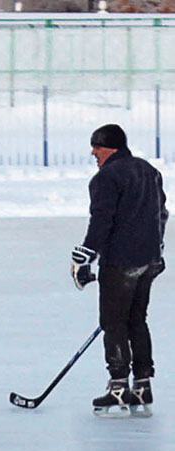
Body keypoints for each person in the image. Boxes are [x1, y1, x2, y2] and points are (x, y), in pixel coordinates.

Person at [72, 123, 167, 418]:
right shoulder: (148, 171)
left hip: (121, 262)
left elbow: (102, 220)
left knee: (114, 323)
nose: (93, 153)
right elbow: (161, 212)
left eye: (96, 148)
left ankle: (117, 387)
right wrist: (156, 247)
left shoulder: (105, 178)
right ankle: (142, 384)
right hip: (149, 260)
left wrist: (84, 255)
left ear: (110, 148)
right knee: (137, 320)